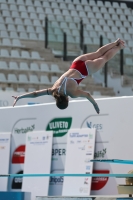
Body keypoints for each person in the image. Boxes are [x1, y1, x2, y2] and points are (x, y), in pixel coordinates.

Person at [12, 38, 125, 114]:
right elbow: (36, 94)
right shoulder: (52, 90)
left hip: (85, 69)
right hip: (76, 63)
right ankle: (116, 42)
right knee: (98, 53)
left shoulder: (71, 93)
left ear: (67, 100)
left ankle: (119, 47)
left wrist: (95, 105)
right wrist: (20, 96)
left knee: (104, 58)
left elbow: (87, 95)